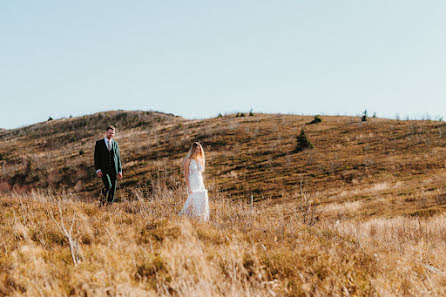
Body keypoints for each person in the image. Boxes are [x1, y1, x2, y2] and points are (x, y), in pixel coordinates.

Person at [179, 142, 209, 221]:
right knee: (192, 201)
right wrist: (189, 187)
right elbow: (186, 174)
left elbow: (200, 173)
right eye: (196, 149)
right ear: (193, 150)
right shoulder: (188, 160)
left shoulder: (200, 160)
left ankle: (200, 219)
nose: (198, 151)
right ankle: (184, 218)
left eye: (199, 149)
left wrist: (202, 184)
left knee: (202, 199)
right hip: (192, 182)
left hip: (200, 182)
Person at [94, 125, 122, 205]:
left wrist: (120, 170)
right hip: (104, 169)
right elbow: (96, 157)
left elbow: (118, 158)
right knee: (108, 185)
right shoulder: (99, 143)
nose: (111, 135)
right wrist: (98, 169)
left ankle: (109, 206)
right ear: (106, 132)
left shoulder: (115, 144)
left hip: (114, 169)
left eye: (112, 133)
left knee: (113, 188)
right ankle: (101, 203)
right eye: (110, 133)